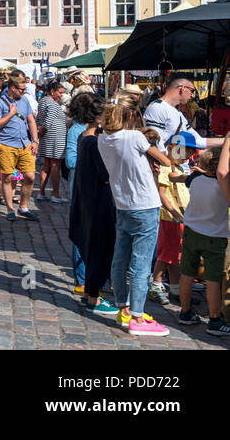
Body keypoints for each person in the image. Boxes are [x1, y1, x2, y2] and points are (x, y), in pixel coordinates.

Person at [96, 103, 175, 337]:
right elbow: (167, 161)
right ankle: (138, 316)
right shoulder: (133, 136)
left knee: (120, 259)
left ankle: (124, 308)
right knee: (140, 265)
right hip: (145, 204)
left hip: (123, 204)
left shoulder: (102, 139)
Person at [67, 93, 117, 313]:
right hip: (99, 202)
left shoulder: (83, 137)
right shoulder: (94, 142)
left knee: (91, 247)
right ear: (97, 117)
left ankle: (89, 294)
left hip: (86, 199)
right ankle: (94, 298)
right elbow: (106, 174)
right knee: (100, 248)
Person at [176, 139, 230, 335]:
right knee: (213, 279)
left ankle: (185, 311)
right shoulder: (224, 187)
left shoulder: (194, 180)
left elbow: (185, 178)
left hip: (191, 231)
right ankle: (215, 319)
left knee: (187, 273)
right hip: (215, 237)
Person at [143, 73, 225, 166]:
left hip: (177, 169)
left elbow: (197, 141)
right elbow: (155, 145)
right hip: (165, 171)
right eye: (192, 90)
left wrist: (226, 140)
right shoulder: (157, 108)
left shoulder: (177, 113)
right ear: (182, 88)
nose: (192, 95)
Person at [151, 132, 193, 307]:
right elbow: (162, 194)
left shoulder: (183, 168)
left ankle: (175, 289)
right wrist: (174, 213)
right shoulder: (166, 167)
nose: (187, 158)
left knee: (176, 255)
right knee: (166, 254)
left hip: (182, 218)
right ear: (171, 149)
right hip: (170, 218)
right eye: (184, 154)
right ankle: (155, 285)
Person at [0, 71, 40, 220]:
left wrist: (35, 141)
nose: (24, 92)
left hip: (24, 143)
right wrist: (10, 114)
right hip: (6, 144)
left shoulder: (24, 101)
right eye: (21, 89)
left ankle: (23, 207)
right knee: (7, 177)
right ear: (12, 88)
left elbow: (31, 121)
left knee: (30, 176)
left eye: (25, 89)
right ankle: (10, 209)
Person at [36, 80, 69, 203]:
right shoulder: (53, 104)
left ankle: (41, 192)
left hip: (48, 137)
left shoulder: (43, 101)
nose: (61, 95)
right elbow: (47, 122)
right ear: (52, 91)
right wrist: (40, 133)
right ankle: (55, 194)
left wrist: (41, 133)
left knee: (47, 165)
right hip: (55, 137)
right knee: (55, 165)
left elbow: (39, 119)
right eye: (59, 93)